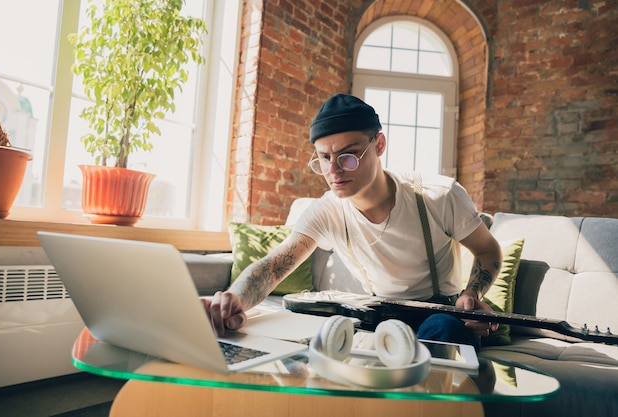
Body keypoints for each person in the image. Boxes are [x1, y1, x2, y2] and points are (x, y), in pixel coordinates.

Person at [204, 93, 502, 349]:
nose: (334, 170)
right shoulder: (327, 211)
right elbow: (273, 266)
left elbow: (488, 251)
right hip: (378, 316)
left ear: (379, 145)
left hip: (442, 315)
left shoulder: (438, 196)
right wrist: (233, 300)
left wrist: (471, 294)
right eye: (324, 158)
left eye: (348, 155)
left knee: (443, 331)